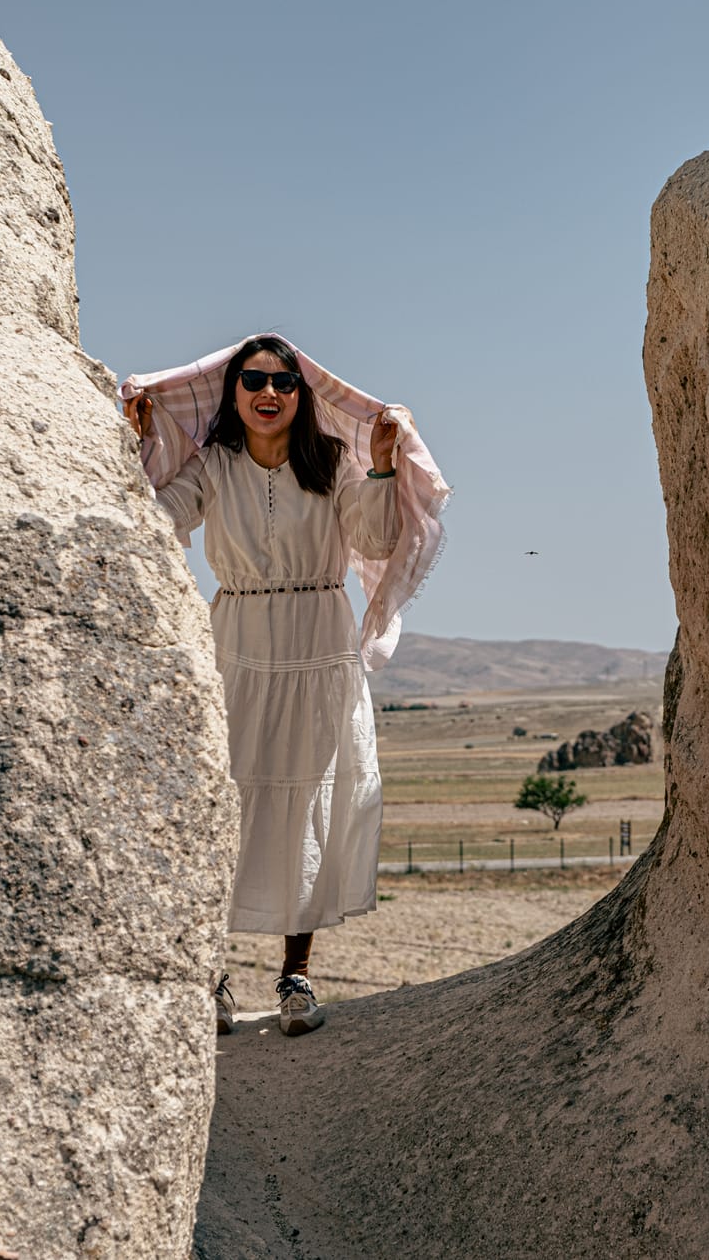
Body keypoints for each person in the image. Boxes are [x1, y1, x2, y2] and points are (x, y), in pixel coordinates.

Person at [120, 333, 447, 1037]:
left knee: (306, 804)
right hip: (235, 643)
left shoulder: (329, 463)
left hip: (317, 646)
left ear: (302, 395)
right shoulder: (215, 466)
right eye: (254, 380)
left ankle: (295, 977)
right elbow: (156, 517)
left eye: (283, 382)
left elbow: (376, 538)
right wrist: (131, 446)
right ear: (233, 393)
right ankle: (211, 977)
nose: (269, 393)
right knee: (224, 799)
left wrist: (384, 467)